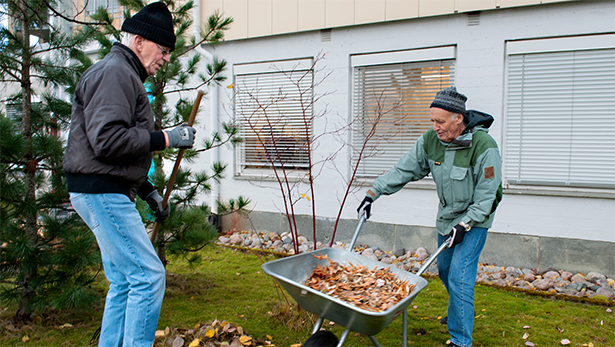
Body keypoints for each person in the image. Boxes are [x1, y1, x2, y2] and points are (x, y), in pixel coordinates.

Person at [63, 2, 196, 346]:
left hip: (102, 188)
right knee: (148, 277)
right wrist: (165, 138)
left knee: (125, 280)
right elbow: (107, 140)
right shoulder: (115, 73)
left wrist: (148, 190)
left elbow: (109, 155)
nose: (166, 59)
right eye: (163, 50)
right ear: (139, 41)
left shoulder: (121, 74)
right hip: (102, 193)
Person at [356, 87, 502, 347]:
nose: (435, 127)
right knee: (445, 270)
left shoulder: (484, 146)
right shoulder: (431, 140)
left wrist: (466, 224)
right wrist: (372, 192)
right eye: (432, 120)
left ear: (459, 118)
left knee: (459, 275)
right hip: (447, 220)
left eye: (440, 121)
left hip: (474, 222)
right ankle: (459, 311)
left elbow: (487, 196)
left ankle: (460, 340)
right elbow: (405, 168)